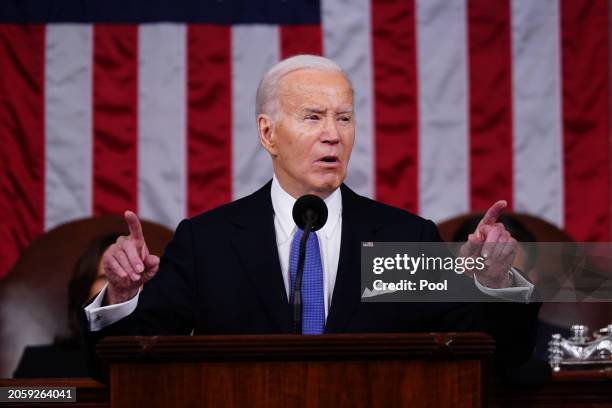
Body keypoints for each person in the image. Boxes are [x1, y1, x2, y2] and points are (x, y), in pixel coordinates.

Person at [84, 55, 539, 376]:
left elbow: (495, 360)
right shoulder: (208, 242)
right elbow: (121, 369)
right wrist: (121, 297)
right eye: (312, 117)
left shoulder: (406, 236)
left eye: (344, 118)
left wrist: (494, 286)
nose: (332, 136)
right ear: (268, 134)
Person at [14, 232, 119, 378]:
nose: (122, 286)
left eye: (132, 277)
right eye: (106, 277)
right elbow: (11, 396)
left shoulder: (160, 367)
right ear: (84, 293)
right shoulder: (38, 364)